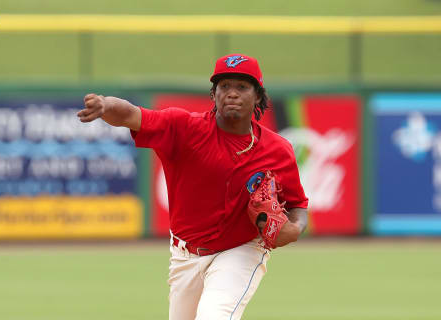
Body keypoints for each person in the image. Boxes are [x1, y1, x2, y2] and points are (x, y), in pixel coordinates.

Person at [77, 53, 308, 320]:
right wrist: (105, 104)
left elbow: (297, 204)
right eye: (224, 86)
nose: (232, 93)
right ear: (214, 94)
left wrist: (294, 228)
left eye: (242, 87)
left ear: (258, 96)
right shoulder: (183, 128)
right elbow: (131, 114)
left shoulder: (278, 150)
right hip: (184, 255)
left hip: (241, 250)